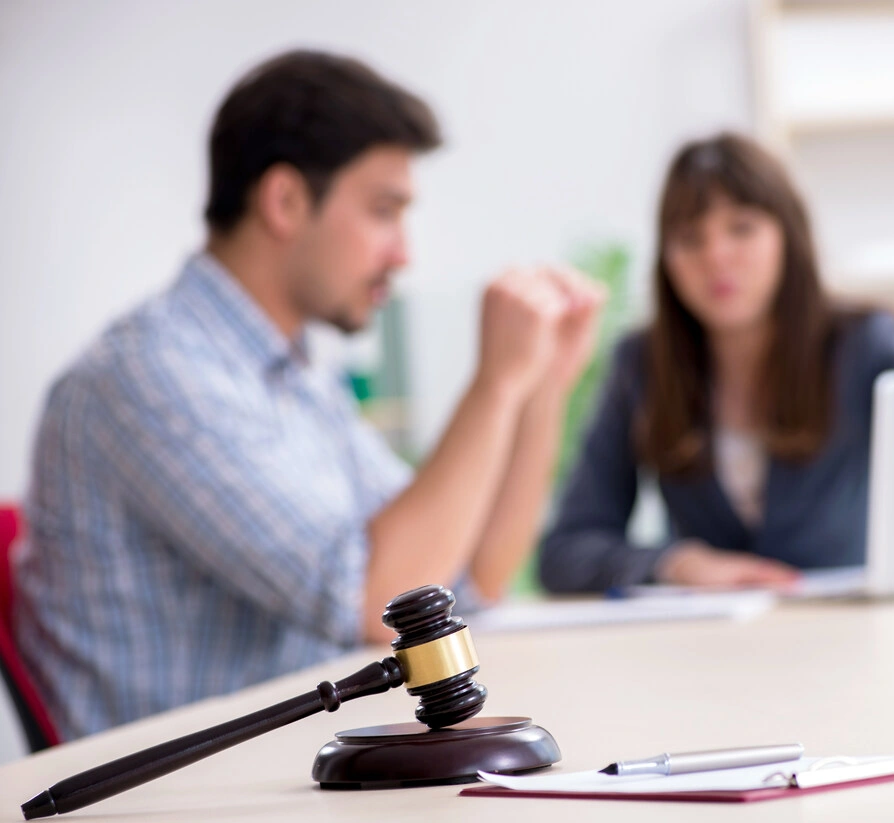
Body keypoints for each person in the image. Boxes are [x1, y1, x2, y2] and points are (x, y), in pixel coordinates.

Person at [15, 50, 604, 740]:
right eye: (385, 211)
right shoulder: (149, 376)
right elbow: (376, 602)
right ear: (287, 201)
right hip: (184, 796)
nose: (403, 253)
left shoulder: (294, 378)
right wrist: (494, 381)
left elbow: (471, 574)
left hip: (296, 765)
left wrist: (540, 387)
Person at [538, 132, 894, 594]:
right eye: (689, 238)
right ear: (667, 259)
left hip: (849, 631)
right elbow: (564, 553)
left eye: (741, 228)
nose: (716, 257)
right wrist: (677, 562)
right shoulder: (642, 365)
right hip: (711, 647)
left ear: (787, 235)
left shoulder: (863, 343)